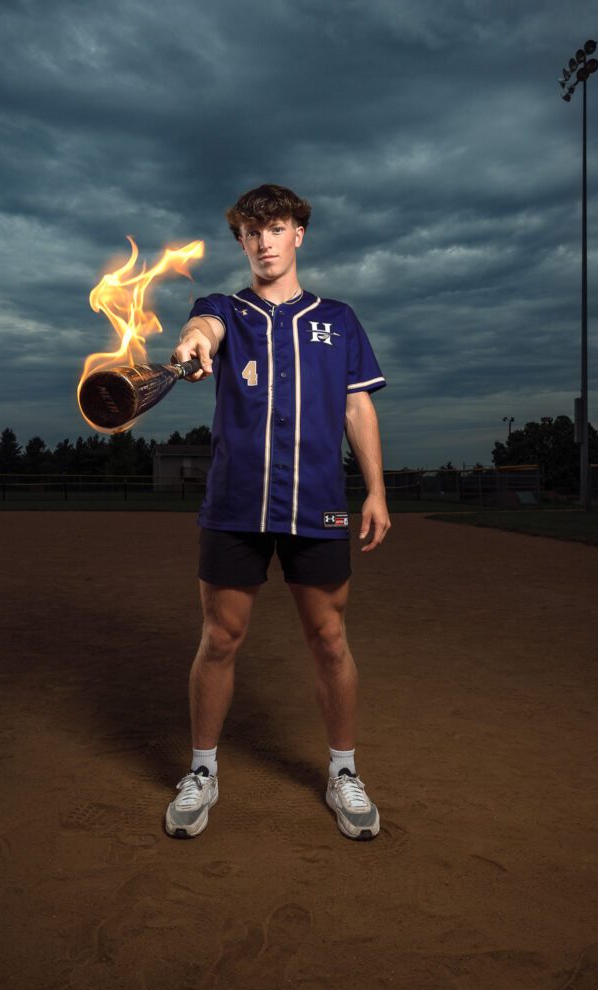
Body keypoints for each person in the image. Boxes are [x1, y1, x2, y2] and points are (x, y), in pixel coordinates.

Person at [164, 183, 390, 841]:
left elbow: (356, 407)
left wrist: (374, 490)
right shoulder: (222, 310)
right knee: (221, 637)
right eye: (251, 232)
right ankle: (202, 770)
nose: (264, 242)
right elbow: (199, 331)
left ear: (298, 235)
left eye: (277, 228)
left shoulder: (338, 320)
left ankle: (342, 771)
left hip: (317, 502)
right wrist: (195, 344)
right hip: (235, 504)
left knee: (328, 639)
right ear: (241, 240)